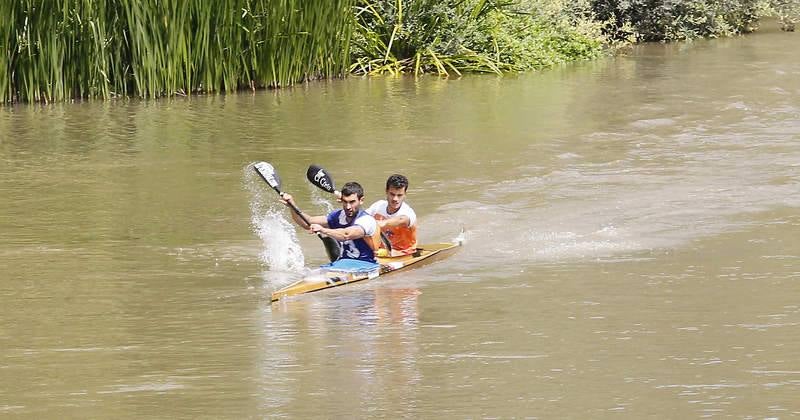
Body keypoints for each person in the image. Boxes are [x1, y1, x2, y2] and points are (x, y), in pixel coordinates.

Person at [281, 181, 380, 263]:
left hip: (366, 264)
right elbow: (308, 222)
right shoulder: (337, 216)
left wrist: (323, 230)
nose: (348, 207)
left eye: (352, 202)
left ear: (361, 200)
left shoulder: (366, 220)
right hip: (342, 264)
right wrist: (292, 206)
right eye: (345, 202)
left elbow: (346, 234)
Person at [366, 174, 418, 257]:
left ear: (405, 194)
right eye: (392, 194)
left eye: (399, 195)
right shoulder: (378, 206)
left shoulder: (408, 212)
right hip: (381, 251)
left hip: (404, 253)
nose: (395, 199)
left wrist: (383, 223)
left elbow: (402, 219)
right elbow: (361, 217)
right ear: (386, 191)